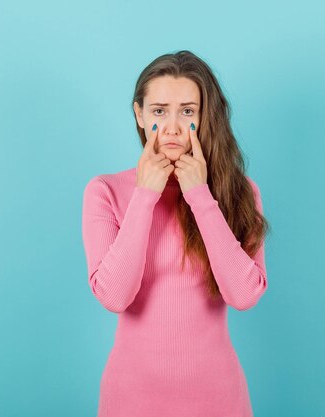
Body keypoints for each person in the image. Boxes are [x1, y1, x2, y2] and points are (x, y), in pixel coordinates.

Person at [81, 50, 270, 417]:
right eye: (158, 111)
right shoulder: (105, 191)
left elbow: (244, 295)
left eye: (187, 111)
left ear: (204, 116)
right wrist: (145, 195)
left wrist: (200, 196)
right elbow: (115, 297)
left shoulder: (239, 192)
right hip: (131, 400)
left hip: (219, 400)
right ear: (139, 114)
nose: (171, 127)